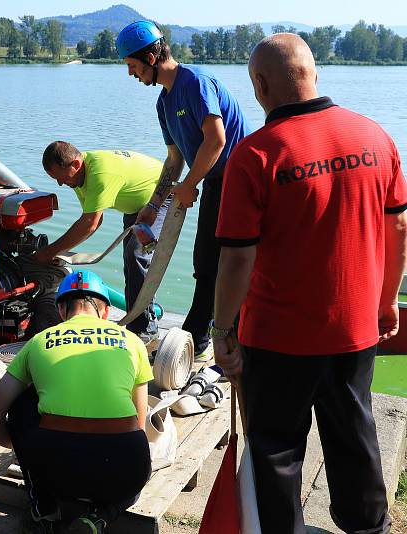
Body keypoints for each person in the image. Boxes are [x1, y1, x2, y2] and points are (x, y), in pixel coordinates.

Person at [212, 33, 406, 534]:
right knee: (354, 432)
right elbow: (399, 227)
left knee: (276, 447)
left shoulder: (253, 155)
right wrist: (386, 303)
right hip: (354, 328)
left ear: (260, 84)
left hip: (277, 339)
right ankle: (368, 526)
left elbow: (236, 259)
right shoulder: (374, 136)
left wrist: (221, 329)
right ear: (313, 73)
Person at [0, 270, 153, 534]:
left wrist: (25, 450)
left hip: (54, 472)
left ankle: (45, 509)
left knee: (23, 402)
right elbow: (139, 425)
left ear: (61, 310)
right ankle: (99, 518)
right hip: (123, 470)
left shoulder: (38, 343)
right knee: (137, 477)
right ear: (106, 311)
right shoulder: (133, 342)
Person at [117, 20, 250, 356]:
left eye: (133, 66)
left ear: (150, 55)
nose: (131, 75)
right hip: (215, 181)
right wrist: (154, 203)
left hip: (241, 180)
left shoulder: (195, 81)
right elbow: (174, 160)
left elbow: (216, 140)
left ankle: (202, 339)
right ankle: (205, 337)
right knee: (204, 263)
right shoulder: (164, 103)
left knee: (216, 263)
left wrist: (190, 185)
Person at [35, 141, 164, 338]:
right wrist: (58, 251)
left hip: (161, 195)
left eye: (61, 178)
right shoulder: (79, 177)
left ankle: (144, 330)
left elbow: (90, 224)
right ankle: (139, 317)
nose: (61, 184)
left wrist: (50, 251)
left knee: (136, 255)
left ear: (75, 164)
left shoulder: (100, 175)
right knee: (130, 263)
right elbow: (92, 219)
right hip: (135, 205)